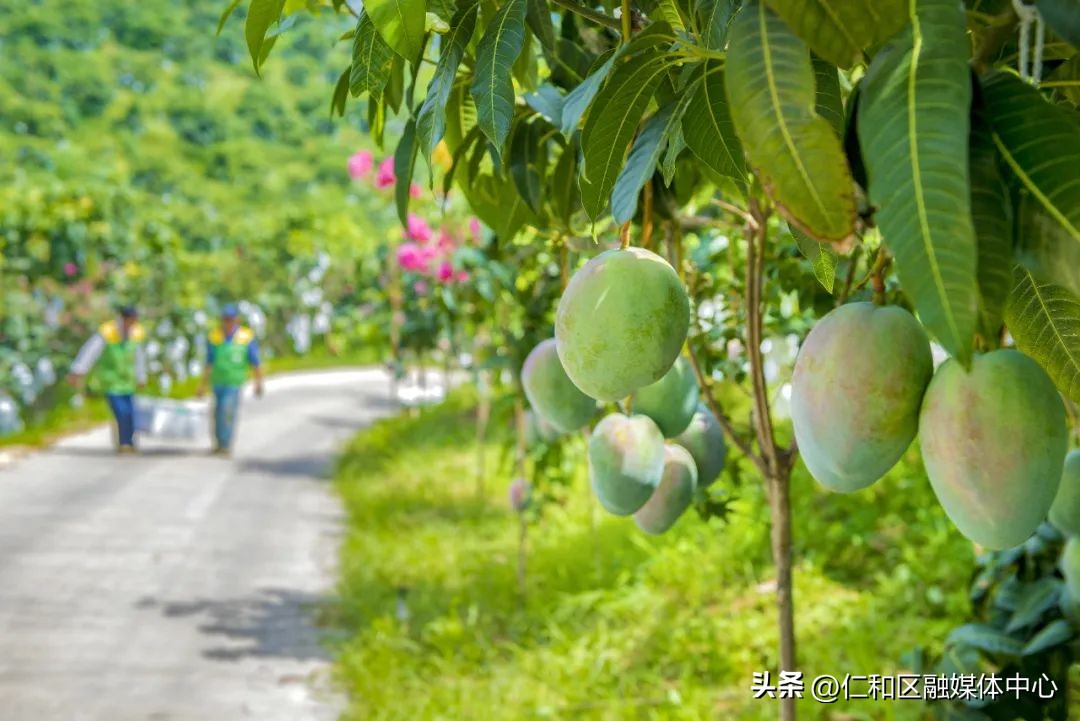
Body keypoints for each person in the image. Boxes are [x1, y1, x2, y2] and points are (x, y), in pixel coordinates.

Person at [68, 305, 147, 454]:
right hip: (110, 380)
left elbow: (139, 357)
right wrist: (78, 370)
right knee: (121, 411)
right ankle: (124, 443)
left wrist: (141, 376)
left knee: (131, 412)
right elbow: (90, 352)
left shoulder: (136, 333)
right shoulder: (107, 332)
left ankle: (128, 442)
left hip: (128, 381)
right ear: (124, 318)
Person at [198, 304, 264, 456]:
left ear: (237, 320)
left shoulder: (246, 337)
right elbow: (208, 363)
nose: (227, 322)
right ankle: (218, 443)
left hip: (234, 382)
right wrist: (202, 385)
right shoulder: (214, 337)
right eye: (225, 319)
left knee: (227, 412)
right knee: (217, 412)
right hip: (217, 381)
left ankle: (225, 445)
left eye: (230, 319)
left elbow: (255, 362)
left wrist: (258, 383)